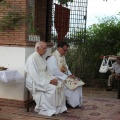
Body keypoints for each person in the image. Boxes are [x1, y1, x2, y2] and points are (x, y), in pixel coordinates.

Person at [24, 41, 67, 116]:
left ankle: (59, 109)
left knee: (60, 84)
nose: (46, 50)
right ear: (37, 48)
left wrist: (53, 78)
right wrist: (49, 81)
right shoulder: (32, 59)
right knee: (53, 89)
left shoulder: (42, 57)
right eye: (44, 48)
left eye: (46, 48)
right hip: (35, 81)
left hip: (45, 78)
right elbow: (35, 76)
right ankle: (48, 109)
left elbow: (47, 71)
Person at [46, 41, 84, 108]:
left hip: (64, 76)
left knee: (78, 82)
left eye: (66, 50)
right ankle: (72, 104)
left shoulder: (62, 56)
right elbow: (55, 71)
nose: (65, 51)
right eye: (64, 49)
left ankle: (77, 102)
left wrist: (71, 74)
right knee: (72, 85)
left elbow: (66, 67)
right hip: (57, 77)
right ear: (59, 47)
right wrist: (67, 76)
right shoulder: (53, 57)